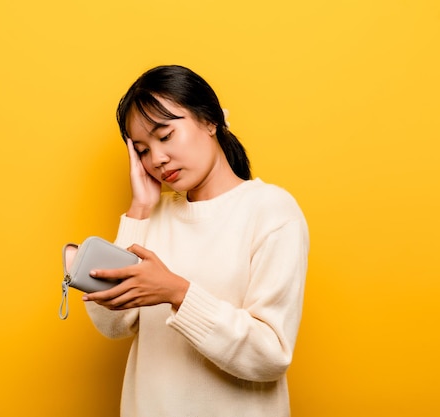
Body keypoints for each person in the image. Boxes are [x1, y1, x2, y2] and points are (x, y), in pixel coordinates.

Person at [82, 65, 309, 417]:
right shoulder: (151, 217)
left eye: (165, 136)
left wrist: (177, 292)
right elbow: (112, 326)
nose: (156, 159)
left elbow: (271, 355)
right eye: (141, 150)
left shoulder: (271, 211)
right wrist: (139, 209)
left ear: (210, 121)